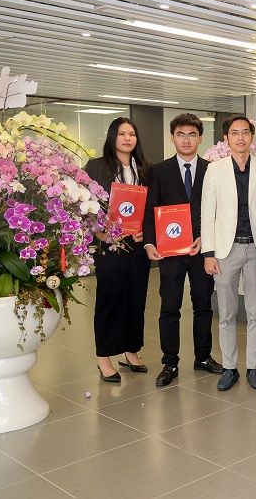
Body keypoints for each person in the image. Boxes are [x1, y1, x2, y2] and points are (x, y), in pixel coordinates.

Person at [143, 113, 224, 387]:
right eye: (181, 134)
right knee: (170, 307)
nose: (186, 140)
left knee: (203, 306)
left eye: (192, 134)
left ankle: (203, 357)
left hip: (202, 251)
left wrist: (205, 237)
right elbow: (150, 209)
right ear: (172, 138)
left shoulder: (212, 169)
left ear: (200, 138)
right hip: (170, 253)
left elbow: (217, 211)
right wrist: (150, 242)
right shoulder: (157, 171)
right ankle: (170, 362)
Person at [201, 115, 256, 392]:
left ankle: (253, 367)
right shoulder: (214, 170)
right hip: (224, 250)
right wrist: (208, 253)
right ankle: (229, 367)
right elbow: (207, 214)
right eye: (234, 133)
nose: (240, 137)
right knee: (227, 313)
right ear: (226, 138)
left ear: (252, 137)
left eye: (245, 132)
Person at [84, 117, 152, 383]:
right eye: (122, 134)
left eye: (132, 134)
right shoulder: (96, 167)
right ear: (112, 137)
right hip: (109, 245)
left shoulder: (145, 168)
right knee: (110, 299)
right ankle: (104, 356)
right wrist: (97, 231)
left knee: (136, 298)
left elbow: (152, 204)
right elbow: (84, 204)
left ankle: (130, 350)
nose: (127, 138)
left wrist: (146, 230)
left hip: (136, 245)